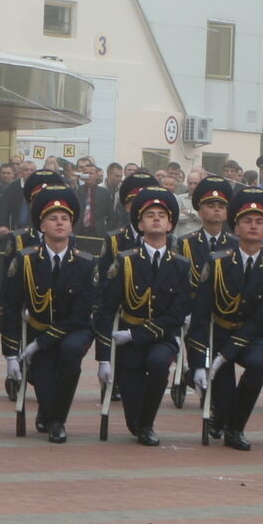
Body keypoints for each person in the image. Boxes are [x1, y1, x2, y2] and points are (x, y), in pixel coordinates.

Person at [95, 184, 192, 445]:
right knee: (132, 416)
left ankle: (149, 425)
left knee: (159, 363)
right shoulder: (125, 262)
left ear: (171, 225)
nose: (157, 219)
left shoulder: (181, 265)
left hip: (160, 338)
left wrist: (137, 334)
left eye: (162, 215)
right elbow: (106, 309)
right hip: (127, 341)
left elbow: (177, 313)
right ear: (140, 225)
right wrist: (103, 357)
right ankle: (140, 423)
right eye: (150, 215)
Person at [186, 186, 263, 451]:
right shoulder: (217, 263)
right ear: (236, 228)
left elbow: (260, 318)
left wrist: (226, 355)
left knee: (257, 365)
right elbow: (202, 314)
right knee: (224, 396)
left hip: (251, 338)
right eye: (247, 221)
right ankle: (223, 416)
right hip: (219, 333)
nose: (253, 226)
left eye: (259, 222)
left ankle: (236, 428)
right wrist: (197, 362)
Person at [0, 184, 96, 444]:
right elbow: (10, 306)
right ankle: (47, 409)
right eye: (53, 218)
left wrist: (42, 341)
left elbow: (82, 312)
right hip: (37, 327)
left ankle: (57, 421)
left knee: (69, 353)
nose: (60, 223)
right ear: (42, 226)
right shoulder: (26, 259)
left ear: (72, 226)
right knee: (41, 375)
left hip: (74, 331)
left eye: (65, 219)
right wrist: (10, 353)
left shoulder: (86, 262)